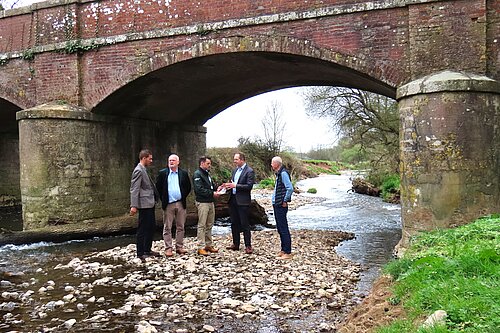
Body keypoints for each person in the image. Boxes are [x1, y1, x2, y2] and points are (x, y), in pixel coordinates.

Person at [155, 154, 192, 257]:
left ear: (178, 162)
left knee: (181, 226)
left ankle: (179, 247)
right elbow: (158, 187)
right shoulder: (163, 173)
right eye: (170, 160)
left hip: (180, 203)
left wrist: (182, 196)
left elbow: (188, 187)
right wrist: (164, 199)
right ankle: (168, 248)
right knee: (167, 227)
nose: (171, 162)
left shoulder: (183, 173)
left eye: (173, 160)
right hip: (168, 204)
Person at [130, 149, 161, 262]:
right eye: (150, 158)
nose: (151, 161)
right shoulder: (138, 170)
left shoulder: (144, 169)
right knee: (142, 228)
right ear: (144, 158)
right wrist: (134, 205)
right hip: (144, 204)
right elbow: (134, 188)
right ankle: (140, 253)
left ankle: (147, 250)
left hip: (149, 203)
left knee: (151, 226)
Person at [224, 152, 255, 254]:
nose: (234, 161)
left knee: (244, 224)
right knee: (234, 223)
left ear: (242, 160)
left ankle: (248, 246)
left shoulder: (249, 171)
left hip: (243, 201)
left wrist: (235, 186)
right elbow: (232, 184)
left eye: (236, 159)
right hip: (233, 199)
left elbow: (249, 186)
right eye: (234, 159)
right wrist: (226, 186)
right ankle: (236, 244)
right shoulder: (234, 171)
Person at [193, 156, 222, 256]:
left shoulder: (207, 174)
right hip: (202, 202)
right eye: (208, 163)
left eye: (210, 163)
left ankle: (208, 244)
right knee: (202, 225)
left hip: (210, 202)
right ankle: (200, 247)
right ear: (202, 163)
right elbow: (199, 189)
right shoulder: (197, 174)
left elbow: (211, 186)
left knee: (210, 224)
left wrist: (218, 188)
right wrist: (212, 193)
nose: (209, 165)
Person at [271, 156, 294, 260]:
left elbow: (290, 188)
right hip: (277, 203)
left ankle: (288, 252)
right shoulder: (279, 173)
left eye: (272, 163)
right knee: (280, 228)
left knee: (283, 228)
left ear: (277, 164)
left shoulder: (283, 173)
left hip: (281, 204)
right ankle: (283, 250)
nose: (271, 165)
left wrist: (285, 200)